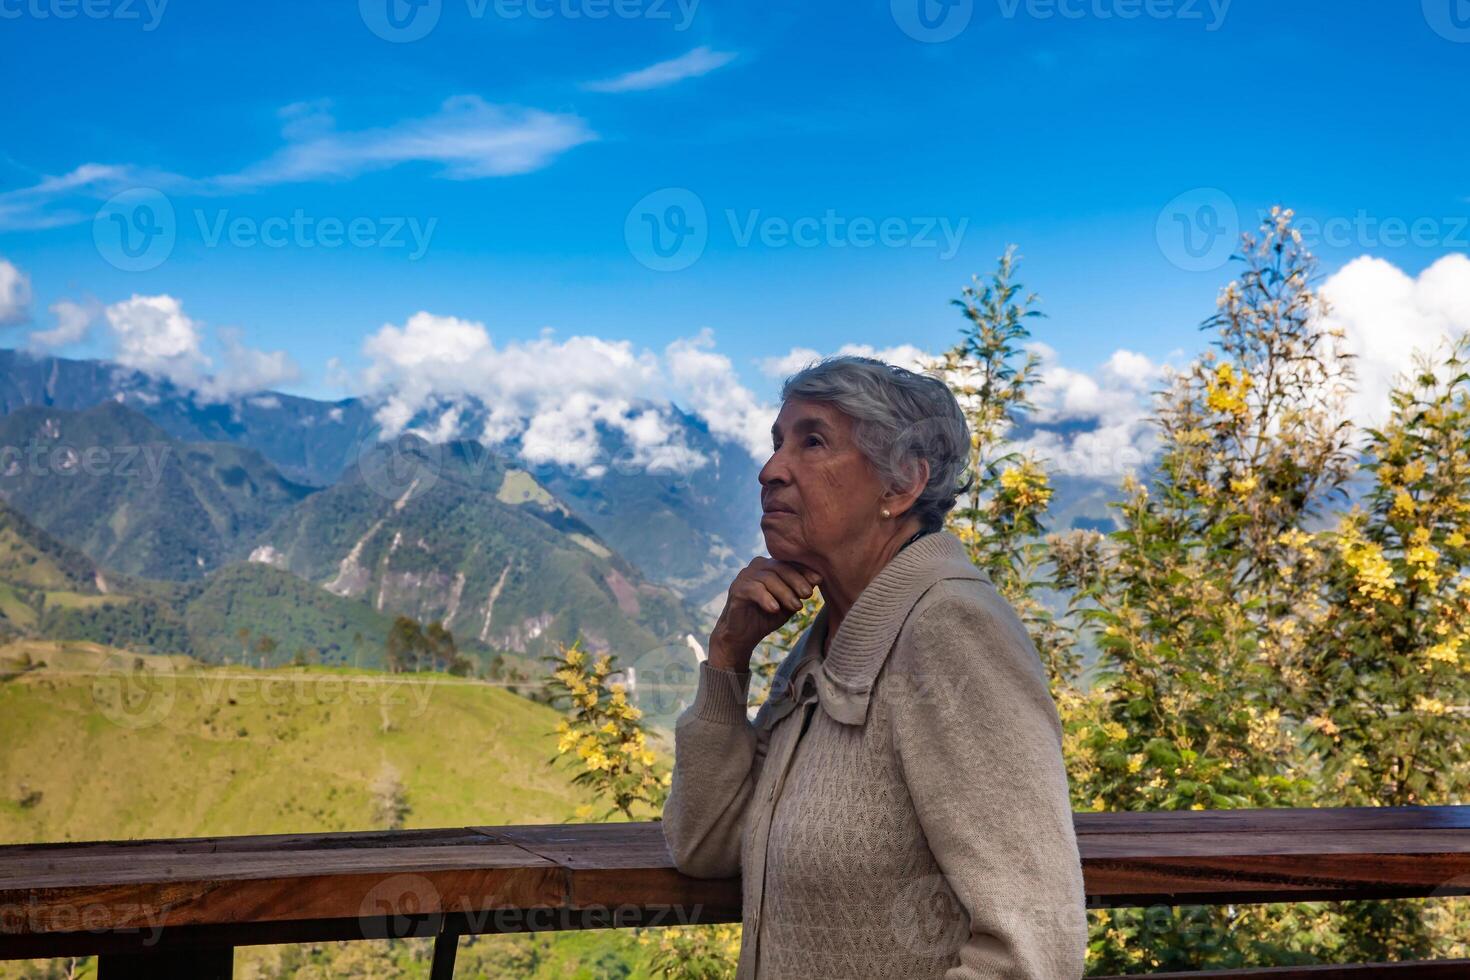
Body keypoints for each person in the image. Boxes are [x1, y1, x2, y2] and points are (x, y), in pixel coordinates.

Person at [661, 355, 1088, 978]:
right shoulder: (827, 643)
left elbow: (1034, 951)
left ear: (900, 485)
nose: (770, 470)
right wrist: (727, 660)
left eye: (812, 443)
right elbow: (707, 846)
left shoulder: (950, 631)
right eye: (777, 443)